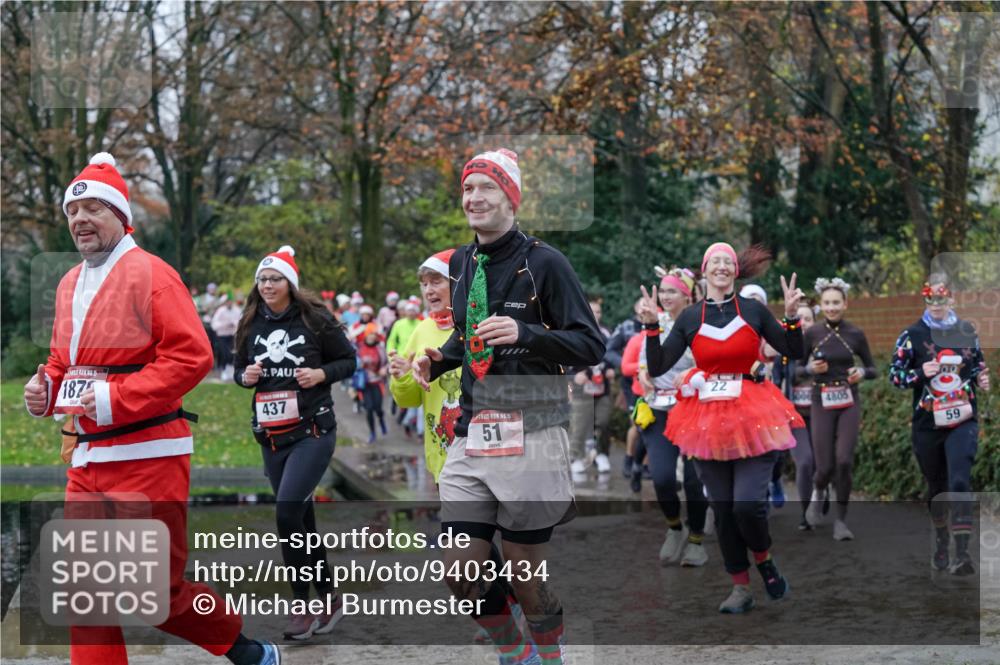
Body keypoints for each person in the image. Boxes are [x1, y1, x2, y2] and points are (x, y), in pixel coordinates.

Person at [22, 153, 280, 665]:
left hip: (149, 456)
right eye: (73, 212)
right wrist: (45, 388)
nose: (80, 220)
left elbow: (192, 356)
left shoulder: (151, 273)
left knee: (155, 591)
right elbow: (62, 358)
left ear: (121, 215)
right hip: (86, 459)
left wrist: (111, 399)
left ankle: (245, 649)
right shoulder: (69, 281)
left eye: (93, 208)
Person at [411, 148, 606, 664]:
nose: (474, 198)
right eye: (468, 189)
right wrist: (441, 359)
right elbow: (471, 337)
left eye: (487, 189)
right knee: (458, 568)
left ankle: (550, 649)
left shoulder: (546, 262)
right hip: (473, 430)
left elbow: (590, 344)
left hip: (533, 429)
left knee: (525, 572)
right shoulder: (462, 262)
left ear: (511, 198)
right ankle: (512, 649)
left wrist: (528, 332)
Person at [642, 242, 805, 614]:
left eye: (727, 261)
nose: (721, 265)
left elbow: (794, 351)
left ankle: (763, 559)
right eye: (714, 260)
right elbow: (658, 366)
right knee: (725, 507)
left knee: (747, 505)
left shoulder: (753, 310)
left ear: (735, 270)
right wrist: (652, 327)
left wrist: (792, 317)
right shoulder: (690, 318)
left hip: (754, 412)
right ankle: (740, 587)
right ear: (704, 270)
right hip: (706, 418)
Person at [234, 245, 357, 640]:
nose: (268, 285)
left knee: (287, 513)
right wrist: (246, 377)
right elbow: (237, 369)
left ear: (290, 283)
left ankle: (301, 606)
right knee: (301, 521)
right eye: (263, 279)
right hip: (272, 436)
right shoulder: (250, 322)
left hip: (313, 431)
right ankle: (330, 599)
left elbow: (348, 361)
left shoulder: (315, 319)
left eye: (275, 279)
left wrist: (320, 375)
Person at [890, 275, 989, 575]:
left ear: (951, 299)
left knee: (959, 481)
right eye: (930, 298)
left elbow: (977, 368)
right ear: (925, 300)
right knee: (937, 487)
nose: (936, 304)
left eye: (941, 297)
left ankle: (962, 554)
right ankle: (942, 541)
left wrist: (982, 380)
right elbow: (895, 376)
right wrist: (920, 371)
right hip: (927, 424)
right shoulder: (912, 335)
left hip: (963, 419)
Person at [636, 267, 709, 567]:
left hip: (694, 410)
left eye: (672, 291)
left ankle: (696, 541)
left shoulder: (700, 324)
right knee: (663, 477)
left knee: (693, 482)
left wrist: (692, 374)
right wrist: (644, 375)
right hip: (659, 409)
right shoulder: (656, 322)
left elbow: (711, 363)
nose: (666, 297)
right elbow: (644, 361)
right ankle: (674, 528)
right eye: (663, 291)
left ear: (687, 295)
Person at [802, 277, 877, 540]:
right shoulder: (812, 334)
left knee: (844, 460)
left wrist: (862, 372)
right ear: (821, 306)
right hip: (821, 400)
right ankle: (819, 489)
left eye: (836, 302)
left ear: (845, 304)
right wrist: (810, 369)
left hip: (848, 399)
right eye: (827, 303)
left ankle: (841, 522)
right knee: (824, 467)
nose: (832, 307)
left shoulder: (855, 334)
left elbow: (873, 368)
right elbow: (795, 371)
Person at [389, 249, 459, 480]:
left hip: (485, 455)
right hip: (443, 458)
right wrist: (402, 376)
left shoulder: (481, 325)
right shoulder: (422, 329)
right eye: (424, 284)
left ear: (458, 281)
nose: (428, 290)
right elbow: (408, 400)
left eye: (436, 282)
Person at [772, 302, 818, 530]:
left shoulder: (824, 347)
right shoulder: (784, 352)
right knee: (805, 461)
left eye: (808, 318)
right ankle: (805, 512)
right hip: (795, 416)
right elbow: (776, 382)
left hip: (822, 415)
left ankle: (822, 489)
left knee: (822, 464)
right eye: (799, 318)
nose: (803, 322)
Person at [567, 296, 614, 475]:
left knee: (603, 422)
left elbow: (614, 354)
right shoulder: (575, 331)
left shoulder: (608, 333)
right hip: (581, 388)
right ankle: (575, 457)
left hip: (602, 387)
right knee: (579, 424)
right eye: (592, 311)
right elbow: (562, 361)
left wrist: (611, 369)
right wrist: (572, 376)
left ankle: (601, 455)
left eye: (599, 311)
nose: (596, 315)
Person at [605, 297, 645, 478]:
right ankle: (629, 459)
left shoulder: (663, 323)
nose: (645, 307)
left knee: (654, 425)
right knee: (637, 423)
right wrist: (624, 365)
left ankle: (644, 465)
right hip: (632, 383)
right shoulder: (626, 327)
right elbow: (609, 350)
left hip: (655, 383)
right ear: (636, 308)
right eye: (641, 304)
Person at [356, 322, 389, 443]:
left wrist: (384, 369)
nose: (371, 337)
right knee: (369, 409)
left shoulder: (380, 348)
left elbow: (387, 363)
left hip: (377, 383)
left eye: (373, 334)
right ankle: (372, 433)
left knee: (378, 408)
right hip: (364, 384)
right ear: (365, 335)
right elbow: (352, 364)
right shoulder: (359, 348)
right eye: (369, 334)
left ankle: (381, 420)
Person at [211, 293, 243, 382]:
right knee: (224, 354)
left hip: (233, 335)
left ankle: (230, 371)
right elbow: (214, 324)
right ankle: (224, 371)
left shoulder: (237, 310)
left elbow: (241, 322)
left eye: (230, 301)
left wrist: (234, 324)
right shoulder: (220, 311)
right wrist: (225, 324)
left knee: (233, 354)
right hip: (222, 336)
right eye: (227, 302)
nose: (228, 303)